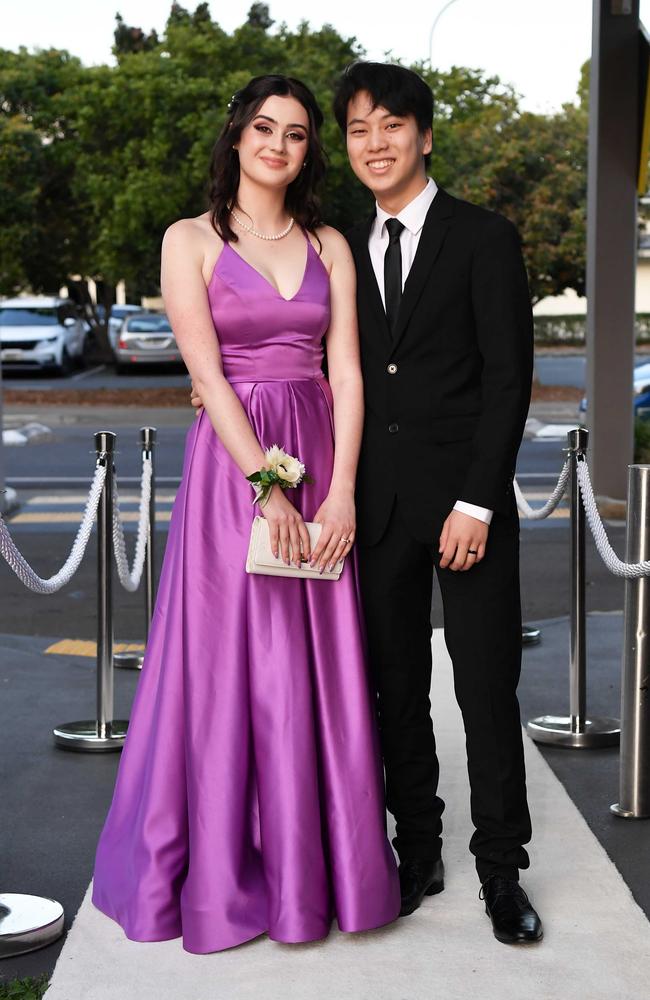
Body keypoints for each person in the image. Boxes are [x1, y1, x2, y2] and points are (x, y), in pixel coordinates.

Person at [91, 73, 400, 955]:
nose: (278, 144)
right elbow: (207, 374)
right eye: (264, 128)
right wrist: (270, 487)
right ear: (236, 136)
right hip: (237, 466)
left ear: (309, 152)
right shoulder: (188, 239)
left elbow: (344, 371)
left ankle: (320, 871)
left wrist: (336, 489)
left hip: (321, 448)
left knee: (319, 668)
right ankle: (227, 875)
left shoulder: (331, 242)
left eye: (298, 134)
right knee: (233, 663)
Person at [333, 61, 542, 945]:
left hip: (466, 510)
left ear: (423, 134)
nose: (374, 143)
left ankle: (503, 872)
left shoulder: (483, 238)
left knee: (487, 690)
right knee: (393, 692)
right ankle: (416, 850)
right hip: (374, 509)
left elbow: (508, 381)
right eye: (357, 129)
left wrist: (478, 502)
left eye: (390, 125)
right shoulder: (336, 239)